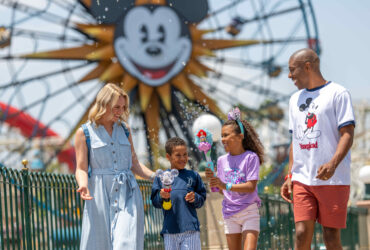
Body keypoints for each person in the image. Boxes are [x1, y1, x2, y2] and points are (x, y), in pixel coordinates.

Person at [280, 48, 355, 250]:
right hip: (303, 178)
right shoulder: (293, 100)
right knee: (302, 234)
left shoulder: (338, 93)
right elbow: (295, 141)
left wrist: (332, 163)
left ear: (307, 66)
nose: (289, 75)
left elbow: (347, 133)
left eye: (292, 69)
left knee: (331, 237)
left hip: (333, 177)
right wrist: (290, 176)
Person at [75, 83, 155, 250]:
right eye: (116, 107)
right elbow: (81, 167)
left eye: (123, 107)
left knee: (125, 243)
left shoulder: (125, 129)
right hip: (99, 194)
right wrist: (83, 185)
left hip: (128, 193)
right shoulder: (84, 133)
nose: (120, 111)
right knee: (99, 244)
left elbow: (134, 163)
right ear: (103, 105)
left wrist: (156, 176)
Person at [206, 109, 265, 250]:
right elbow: (222, 191)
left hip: (249, 211)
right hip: (229, 212)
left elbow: (250, 186)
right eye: (221, 136)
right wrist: (215, 183)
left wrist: (224, 185)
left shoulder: (251, 157)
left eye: (226, 135)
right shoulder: (221, 161)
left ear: (240, 136)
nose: (222, 139)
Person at [150, 137, 207, 250]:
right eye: (178, 155)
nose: (183, 158)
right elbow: (155, 202)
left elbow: (202, 199)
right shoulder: (161, 177)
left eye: (185, 154)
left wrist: (195, 197)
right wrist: (161, 196)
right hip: (169, 231)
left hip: (191, 229)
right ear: (168, 157)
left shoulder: (193, 176)